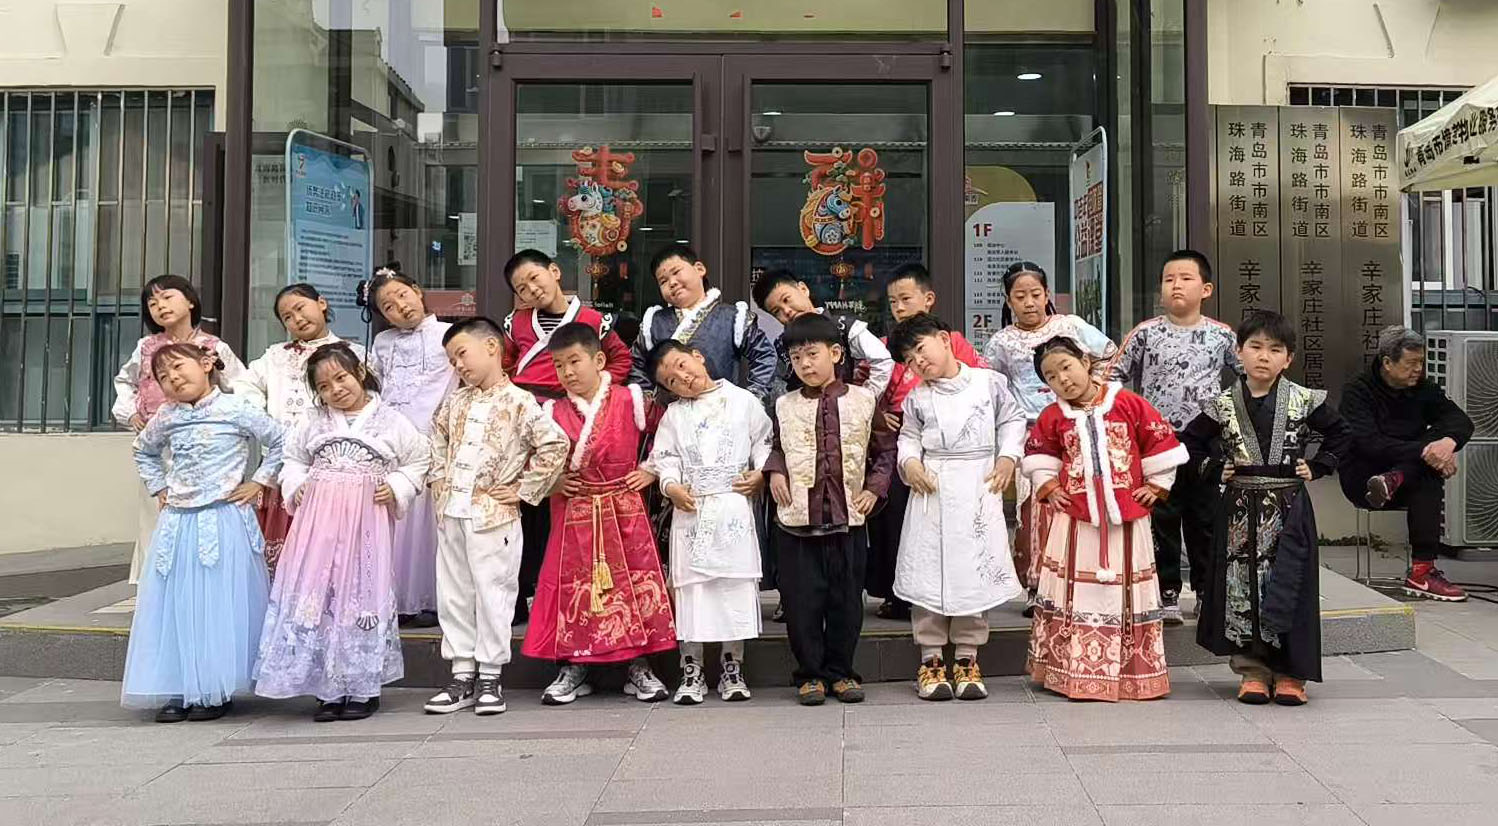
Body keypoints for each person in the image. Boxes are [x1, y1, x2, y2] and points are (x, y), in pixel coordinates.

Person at [253, 344, 428, 722]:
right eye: (324, 386)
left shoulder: (391, 421)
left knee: (363, 593)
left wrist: (396, 486)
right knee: (320, 593)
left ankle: (362, 687)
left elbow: (418, 459)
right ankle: (326, 687)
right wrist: (296, 484)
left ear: (360, 373)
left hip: (366, 520)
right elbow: (293, 458)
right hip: (318, 523)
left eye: (341, 378)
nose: (335, 389)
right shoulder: (313, 421)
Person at [1184, 311, 1351, 705]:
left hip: (1289, 505)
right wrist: (1214, 468)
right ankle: (1253, 671)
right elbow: (1189, 443)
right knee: (1241, 585)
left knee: (1290, 580)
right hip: (1240, 507)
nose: (1264, 356)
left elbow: (1342, 433)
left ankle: (1292, 674)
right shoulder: (1222, 404)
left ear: (1288, 359)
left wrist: (1320, 465)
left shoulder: (1305, 399)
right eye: (1255, 347)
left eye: (1275, 349)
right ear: (1239, 352)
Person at [122, 343, 283, 722]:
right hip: (178, 521)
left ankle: (215, 688)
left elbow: (280, 441)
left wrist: (259, 481)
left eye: (179, 368)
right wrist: (159, 487)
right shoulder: (166, 416)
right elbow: (143, 450)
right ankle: (178, 687)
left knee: (218, 603)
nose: (173, 379)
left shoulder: (238, 407)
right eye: (164, 377)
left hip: (224, 518)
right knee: (175, 603)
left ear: (207, 363)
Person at [1022, 336, 1188, 702]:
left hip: (1126, 519)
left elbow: (1160, 443)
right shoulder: (1052, 417)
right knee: (1073, 589)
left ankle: (1131, 673)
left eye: (1066, 367)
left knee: (1127, 590)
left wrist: (1157, 485)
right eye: (1051, 376)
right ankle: (1070, 671)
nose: (1063, 379)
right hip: (1075, 521)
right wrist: (1049, 486)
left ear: (1085, 361)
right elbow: (1039, 455)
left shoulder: (1127, 403)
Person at [521, 323, 677, 705]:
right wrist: (554, 481)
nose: (567, 372)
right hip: (573, 508)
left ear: (599, 360)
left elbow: (672, 433)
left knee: (633, 584)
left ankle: (639, 664)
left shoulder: (632, 400)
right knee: (575, 589)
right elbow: (527, 457)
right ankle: (573, 665)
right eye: (559, 365)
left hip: (624, 507)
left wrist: (652, 469)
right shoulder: (551, 411)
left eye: (575, 361)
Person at [422, 318, 570, 716]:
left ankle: (490, 674)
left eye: (462, 354)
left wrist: (524, 489)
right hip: (453, 511)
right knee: (454, 594)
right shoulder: (454, 402)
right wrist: (439, 480)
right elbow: (436, 439)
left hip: (494, 515)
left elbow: (555, 443)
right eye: (452, 360)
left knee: (494, 593)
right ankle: (461, 672)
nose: (458, 365)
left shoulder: (520, 401)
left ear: (491, 347)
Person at [888, 313, 1027, 702]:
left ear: (945, 340)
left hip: (977, 483)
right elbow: (908, 437)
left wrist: (1008, 458)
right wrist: (910, 464)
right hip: (931, 488)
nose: (919, 362)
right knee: (928, 570)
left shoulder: (989, 383)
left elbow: (1012, 420)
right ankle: (930, 658)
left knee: (973, 569)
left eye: (921, 349)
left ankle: (967, 656)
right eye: (910, 360)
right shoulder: (917, 398)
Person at [764, 314, 896, 706]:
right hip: (797, 522)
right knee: (802, 603)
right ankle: (809, 674)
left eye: (812, 354)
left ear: (836, 353)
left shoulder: (864, 400)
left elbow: (885, 450)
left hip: (847, 519)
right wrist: (775, 471)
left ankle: (841, 672)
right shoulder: (784, 405)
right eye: (796, 357)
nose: (805, 364)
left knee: (846, 602)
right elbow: (775, 446)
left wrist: (875, 488)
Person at [501, 249, 634, 628]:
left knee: (562, 505)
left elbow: (620, 361)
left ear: (555, 271)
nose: (531, 289)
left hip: (571, 417)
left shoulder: (594, 320)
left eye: (534, 278)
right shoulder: (515, 323)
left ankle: (562, 594)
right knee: (524, 507)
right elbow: (504, 364)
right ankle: (519, 596)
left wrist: (593, 396)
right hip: (525, 422)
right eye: (521, 287)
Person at [1108, 250, 1239, 623]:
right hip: (1156, 441)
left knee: (1205, 517)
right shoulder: (1145, 333)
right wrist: (1126, 418)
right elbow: (1112, 377)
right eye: (1169, 279)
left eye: (1185, 278)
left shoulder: (1222, 336)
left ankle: (1205, 590)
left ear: (1206, 289)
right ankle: (1166, 592)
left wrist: (1232, 423)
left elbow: (1249, 379)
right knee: (1161, 517)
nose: (1176, 285)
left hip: (1206, 442)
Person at [981, 261, 1116, 613]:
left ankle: (1081, 581)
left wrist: (1091, 391)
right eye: (1020, 296)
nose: (1029, 303)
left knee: (1080, 500)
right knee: (1035, 509)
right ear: (1008, 300)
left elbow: (1109, 355)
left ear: (1047, 295)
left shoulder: (1069, 326)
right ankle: (1038, 585)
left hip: (1075, 424)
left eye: (1035, 294)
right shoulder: (1002, 342)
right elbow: (991, 387)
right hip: (1032, 432)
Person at [647, 339, 774, 705]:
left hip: (732, 505)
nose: (682, 378)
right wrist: (671, 486)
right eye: (671, 381)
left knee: (732, 588)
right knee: (693, 592)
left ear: (698, 357)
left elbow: (764, 442)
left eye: (682, 365)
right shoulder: (673, 416)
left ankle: (733, 666)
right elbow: (665, 458)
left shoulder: (743, 401)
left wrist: (761, 473)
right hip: (692, 510)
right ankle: (692, 667)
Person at [113, 274, 247, 585]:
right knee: (156, 516)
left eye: (167, 297)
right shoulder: (146, 347)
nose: (160, 306)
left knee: (206, 520)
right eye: (152, 302)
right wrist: (130, 413)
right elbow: (125, 382)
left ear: (190, 302)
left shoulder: (213, 347)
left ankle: (202, 585)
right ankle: (156, 588)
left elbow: (243, 388)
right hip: (160, 448)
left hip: (206, 450)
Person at [871, 263, 987, 621]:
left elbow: (975, 384)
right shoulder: (884, 347)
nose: (899, 308)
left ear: (928, 298)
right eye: (893, 302)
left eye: (906, 299)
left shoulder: (952, 341)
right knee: (894, 517)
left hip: (945, 444)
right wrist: (878, 415)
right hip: (897, 443)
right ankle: (897, 592)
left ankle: (949, 591)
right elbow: (866, 389)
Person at [236, 284, 365, 578]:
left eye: (300, 308)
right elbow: (244, 386)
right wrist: (265, 423)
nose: (296, 319)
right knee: (280, 545)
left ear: (321, 303)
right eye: (287, 317)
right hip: (283, 462)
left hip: (332, 463)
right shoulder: (275, 355)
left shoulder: (352, 352)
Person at [1339, 326, 1474, 602]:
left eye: (1421, 362)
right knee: (1428, 466)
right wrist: (1428, 452)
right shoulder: (1357, 391)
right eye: (1411, 363)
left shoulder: (1424, 389)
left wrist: (1447, 444)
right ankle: (1422, 572)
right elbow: (1369, 444)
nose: (1418, 369)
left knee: (1432, 461)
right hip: (1365, 479)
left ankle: (1422, 572)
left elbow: (1461, 421)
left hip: (1407, 480)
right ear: (1388, 363)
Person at [368, 271, 456, 626]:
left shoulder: (449, 334)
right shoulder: (382, 343)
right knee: (397, 520)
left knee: (429, 524)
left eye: (403, 295)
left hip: (434, 437)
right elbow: (375, 387)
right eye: (388, 306)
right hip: (392, 440)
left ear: (417, 292)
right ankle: (395, 598)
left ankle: (432, 599)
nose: (400, 307)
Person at [628, 245, 777, 402]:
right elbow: (636, 364)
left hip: (722, 409)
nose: (672, 283)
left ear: (699, 269)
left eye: (676, 272)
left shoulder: (733, 317)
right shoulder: (654, 323)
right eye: (663, 281)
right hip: (671, 412)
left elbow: (765, 355)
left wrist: (752, 397)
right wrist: (646, 401)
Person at [750, 268, 895, 398]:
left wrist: (865, 400)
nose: (786, 311)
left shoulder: (844, 327)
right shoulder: (781, 346)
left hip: (844, 415)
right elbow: (778, 388)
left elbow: (882, 359)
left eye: (787, 300)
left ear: (803, 289)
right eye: (777, 311)